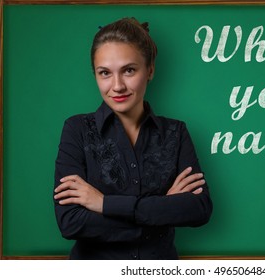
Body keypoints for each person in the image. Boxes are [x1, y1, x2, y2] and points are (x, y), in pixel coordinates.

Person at [53, 17, 212, 260]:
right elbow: (71, 223)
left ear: (150, 70)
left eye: (129, 70)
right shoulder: (77, 129)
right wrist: (162, 209)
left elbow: (199, 210)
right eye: (105, 73)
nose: (117, 86)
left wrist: (104, 203)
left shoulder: (175, 132)